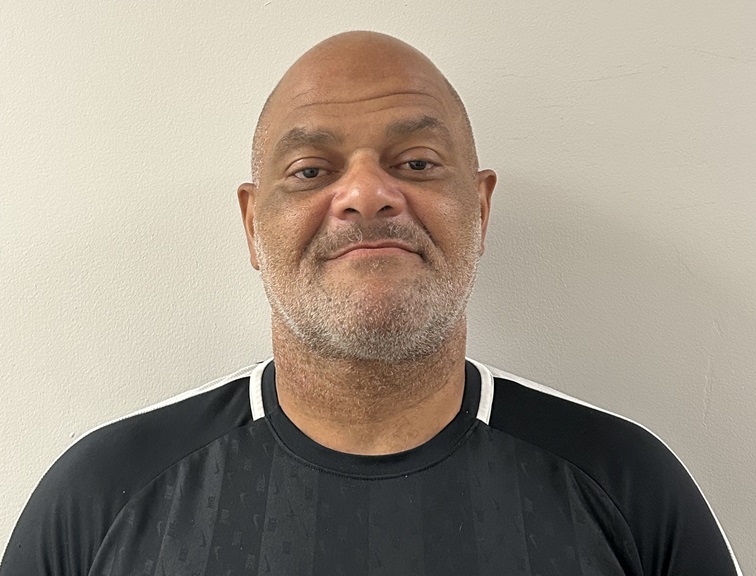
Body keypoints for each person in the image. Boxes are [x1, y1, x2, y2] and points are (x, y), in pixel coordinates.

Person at [1, 31, 742, 576]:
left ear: (481, 209)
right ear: (253, 225)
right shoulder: (99, 499)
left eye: (416, 162)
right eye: (310, 170)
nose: (365, 194)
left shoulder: (631, 490)